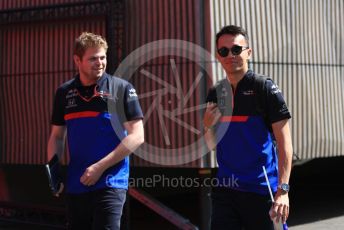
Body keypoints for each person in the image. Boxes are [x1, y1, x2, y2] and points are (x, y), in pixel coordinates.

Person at [47, 32, 144, 230]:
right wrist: (54, 173)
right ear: (77, 60)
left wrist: (100, 167)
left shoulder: (121, 89)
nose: (99, 62)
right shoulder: (64, 93)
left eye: (103, 57)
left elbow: (137, 136)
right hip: (77, 182)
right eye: (93, 58)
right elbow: (57, 137)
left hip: (111, 181)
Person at [203, 25, 293, 229]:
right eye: (223, 51)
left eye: (236, 49)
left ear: (249, 52)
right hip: (225, 190)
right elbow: (212, 145)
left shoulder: (264, 88)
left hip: (261, 190)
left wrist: (283, 191)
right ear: (218, 56)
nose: (230, 55)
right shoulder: (216, 92)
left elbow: (285, 143)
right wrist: (207, 127)